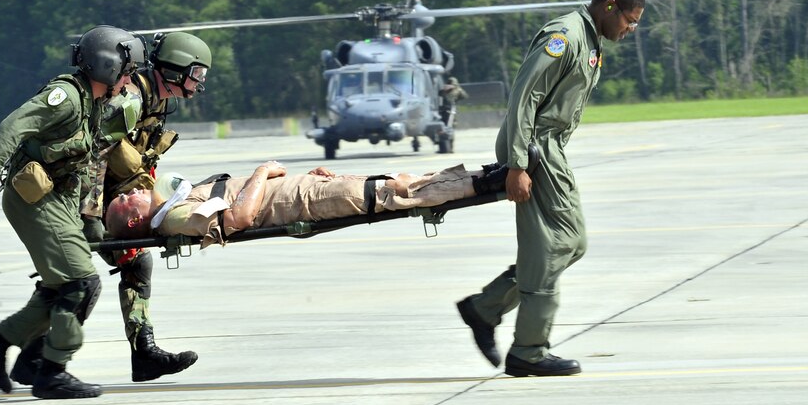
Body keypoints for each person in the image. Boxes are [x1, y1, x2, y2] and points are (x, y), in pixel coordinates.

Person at [455, 0, 646, 377]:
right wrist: (518, 164)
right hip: (536, 150)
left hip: (548, 148)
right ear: (609, 7)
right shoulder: (564, 36)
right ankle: (528, 350)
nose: (631, 29)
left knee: (570, 244)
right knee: (552, 247)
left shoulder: (588, 40)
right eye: (630, 20)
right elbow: (525, 96)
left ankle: (485, 308)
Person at [9, 32, 212, 385]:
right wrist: (89, 215)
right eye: (196, 73)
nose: (199, 82)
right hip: (77, 195)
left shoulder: (158, 102)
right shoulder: (129, 100)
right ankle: (38, 357)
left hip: (109, 196)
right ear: (176, 70)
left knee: (121, 266)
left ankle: (138, 353)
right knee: (75, 280)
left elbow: (139, 160)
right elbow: (94, 155)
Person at [0, 25, 146, 399]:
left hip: (59, 200)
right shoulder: (64, 97)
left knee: (57, 290)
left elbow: (84, 164)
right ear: (108, 67)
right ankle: (51, 372)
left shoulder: (93, 103)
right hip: (34, 200)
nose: (129, 81)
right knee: (80, 284)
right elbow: (10, 129)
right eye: (127, 72)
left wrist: (89, 223)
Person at [103, 161, 512, 244]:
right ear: (136, 222)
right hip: (303, 202)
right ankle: (490, 181)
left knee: (394, 182)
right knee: (395, 193)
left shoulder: (171, 204)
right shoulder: (174, 218)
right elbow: (241, 216)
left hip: (304, 190)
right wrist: (264, 171)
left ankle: (484, 175)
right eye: (123, 201)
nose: (129, 192)